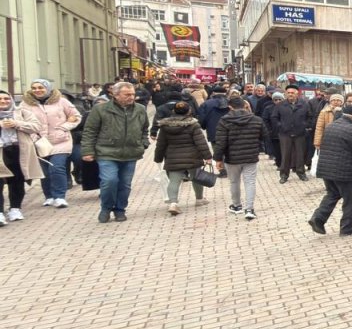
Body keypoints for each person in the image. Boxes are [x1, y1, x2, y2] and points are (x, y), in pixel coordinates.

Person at [82, 82, 150, 223]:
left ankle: (120, 209)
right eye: (127, 94)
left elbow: (144, 128)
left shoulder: (140, 109)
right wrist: (87, 151)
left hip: (131, 152)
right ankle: (106, 208)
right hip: (106, 151)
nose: (131, 97)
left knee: (125, 184)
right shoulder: (101, 109)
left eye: (132, 94)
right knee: (109, 181)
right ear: (115, 94)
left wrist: (144, 143)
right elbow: (90, 131)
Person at [310, 104, 352, 236]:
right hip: (344, 170)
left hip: (327, 169)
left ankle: (318, 219)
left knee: (332, 194)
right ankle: (347, 227)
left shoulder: (332, 125)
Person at [22, 79, 81, 208]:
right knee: (45, 171)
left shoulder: (62, 101)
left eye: (40, 87)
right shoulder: (25, 104)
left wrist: (64, 127)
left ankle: (59, 196)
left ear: (47, 88)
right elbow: (22, 122)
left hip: (61, 141)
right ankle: (49, 196)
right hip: (39, 142)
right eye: (34, 88)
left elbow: (76, 116)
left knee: (57, 167)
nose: (37, 90)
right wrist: (33, 136)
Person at [154, 101, 212, 215]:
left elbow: (161, 144)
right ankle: (199, 199)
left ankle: (173, 203)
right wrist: (208, 156)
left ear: (173, 111)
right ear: (189, 111)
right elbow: (201, 142)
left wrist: (158, 158)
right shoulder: (193, 125)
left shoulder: (165, 126)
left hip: (173, 157)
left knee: (174, 181)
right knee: (196, 178)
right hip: (192, 156)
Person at [215, 96, 267, 220]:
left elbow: (220, 141)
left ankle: (237, 205)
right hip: (251, 156)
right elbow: (264, 136)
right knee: (250, 182)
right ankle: (249, 209)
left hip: (232, 157)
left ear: (230, 107)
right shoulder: (256, 119)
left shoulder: (224, 120)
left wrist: (218, 158)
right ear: (245, 106)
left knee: (234, 181)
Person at [0, 90, 42, 225]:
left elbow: (36, 126)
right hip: (1, 150)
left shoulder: (22, 112)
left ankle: (15, 208)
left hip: (19, 150)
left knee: (17, 180)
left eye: (6, 98)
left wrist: (17, 124)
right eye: (0, 99)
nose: (3, 101)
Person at [273, 85, 312, 183]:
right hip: (285, 134)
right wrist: (281, 126)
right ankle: (284, 175)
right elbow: (274, 117)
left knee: (300, 154)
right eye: (288, 93)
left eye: (292, 93)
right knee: (285, 155)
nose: (290, 94)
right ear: (285, 94)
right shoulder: (280, 105)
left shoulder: (304, 104)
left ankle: (301, 173)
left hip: (300, 133)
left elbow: (310, 117)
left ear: (297, 94)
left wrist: (304, 126)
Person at [197, 86, 230, 175]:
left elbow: (201, 118)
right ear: (225, 93)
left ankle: (222, 170)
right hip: (230, 130)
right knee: (229, 148)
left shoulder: (206, 104)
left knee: (217, 149)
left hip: (213, 130)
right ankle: (231, 169)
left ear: (213, 93)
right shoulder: (231, 102)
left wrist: (204, 126)